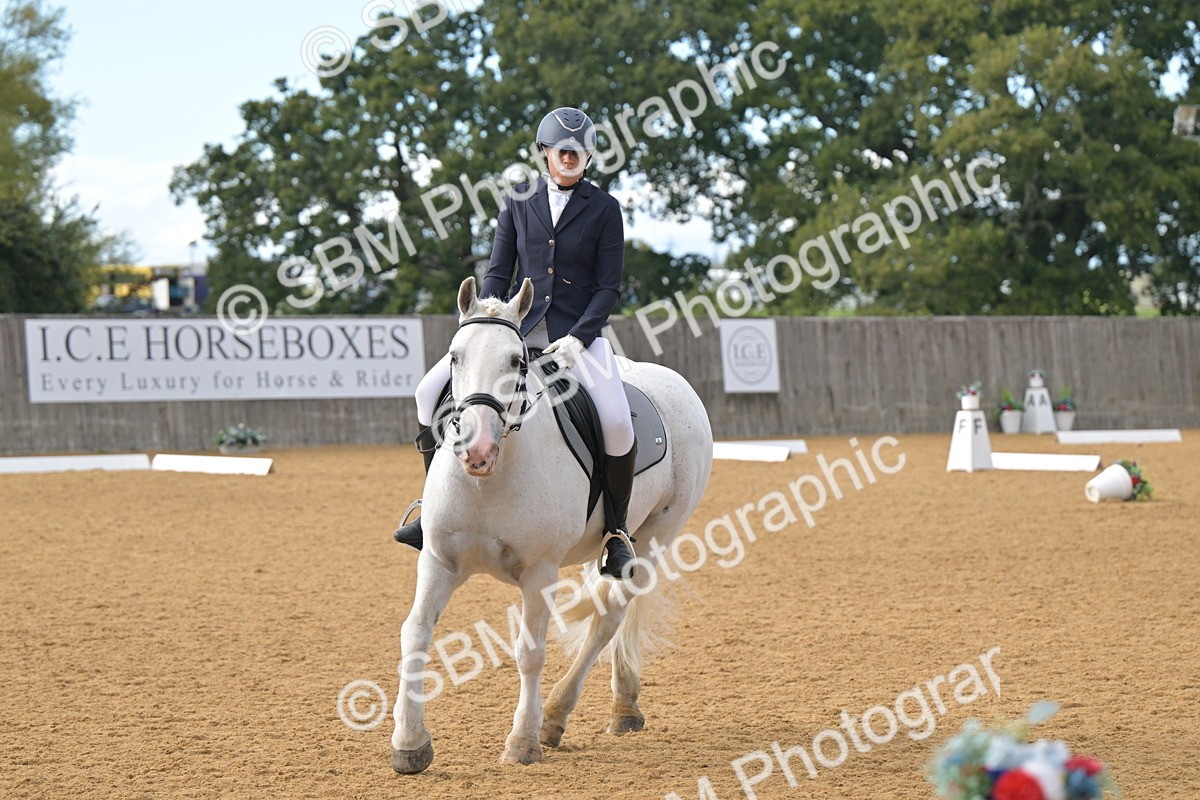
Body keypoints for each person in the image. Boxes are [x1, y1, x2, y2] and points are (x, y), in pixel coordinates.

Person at [393, 106, 638, 580]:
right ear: (545, 152)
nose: (570, 158)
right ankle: (431, 508)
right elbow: (498, 271)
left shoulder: (605, 208)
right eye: (562, 150)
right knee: (427, 392)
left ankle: (616, 534)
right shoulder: (517, 200)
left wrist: (579, 337)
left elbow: (609, 287)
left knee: (616, 421)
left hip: (578, 336)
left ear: (589, 156)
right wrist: (487, 317)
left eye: (578, 151)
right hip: (513, 332)